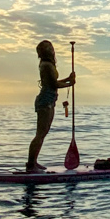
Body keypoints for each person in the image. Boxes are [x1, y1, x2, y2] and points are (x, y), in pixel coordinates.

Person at [26, 40, 75, 172]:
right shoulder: (46, 65)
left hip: (49, 100)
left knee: (43, 133)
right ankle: (30, 165)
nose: (51, 49)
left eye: (51, 47)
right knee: (40, 133)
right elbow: (54, 85)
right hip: (45, 101)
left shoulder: (47, 64)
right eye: (48, 48)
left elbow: (53, 81)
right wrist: (69, 84)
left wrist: (68, 79)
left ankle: (34, 162)